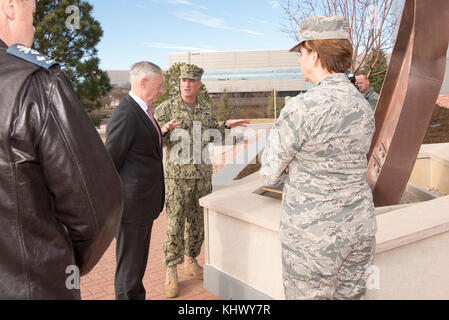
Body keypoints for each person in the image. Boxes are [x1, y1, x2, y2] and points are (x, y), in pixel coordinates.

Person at [0, 0, 123, 299]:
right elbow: (98, 211)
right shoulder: (35, 84)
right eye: (33, 13)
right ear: (12, 7)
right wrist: (64, 261)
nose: (33, 25)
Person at [260, 15, 377, 300]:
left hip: (314, 237)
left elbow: (269, 171)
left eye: (301, 53)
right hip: (360, 227)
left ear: (314, 53)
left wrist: (292, 163)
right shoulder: (362, 105)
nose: (299, 60)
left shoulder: (301, 107)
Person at [154, 64, 250, 298]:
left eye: (192, 80)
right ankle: (171, 270)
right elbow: (150, 137)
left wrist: (226, 126)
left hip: (202, 177)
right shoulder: (166, 108)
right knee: (175, 223)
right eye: (183, 80)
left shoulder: (206, 109)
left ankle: (190, 260)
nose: (187, 84)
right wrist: (162, 131)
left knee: (197, 223)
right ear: (179, 83)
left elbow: (212, 134)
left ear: (199, 84)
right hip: (177, 178)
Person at [105, 61, 181, 300]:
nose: (161, 91)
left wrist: (162, 132)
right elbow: (109, 163)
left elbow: (139, 147)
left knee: (136, 268)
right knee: (129, 272)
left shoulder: (142, 111)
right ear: (143, 82)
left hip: (142, 207)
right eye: (159, 86)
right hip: (131, 208)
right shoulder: (126, 113)